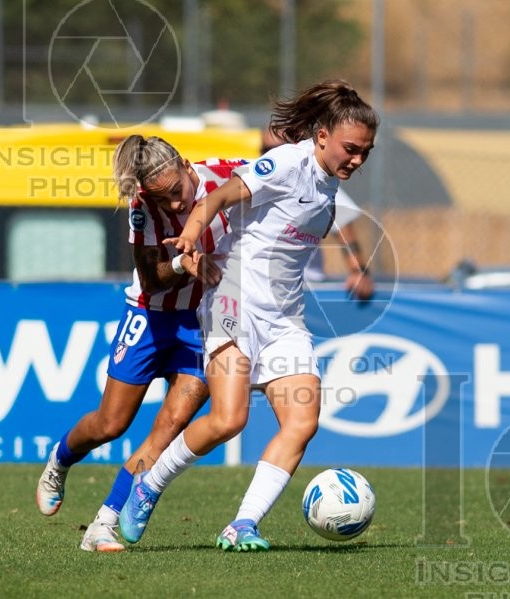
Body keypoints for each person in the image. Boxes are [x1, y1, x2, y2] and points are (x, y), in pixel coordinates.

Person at [117, 79, 379, 552]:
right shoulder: (287, 163)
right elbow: (215, 198)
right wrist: (190, 236)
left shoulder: (329, 187)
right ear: (322, 137)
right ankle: (148, 486)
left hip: (285, 318)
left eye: (366, 151)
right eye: (351, 149)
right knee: (228, 419)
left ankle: (242, 525)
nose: (358, 159)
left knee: (302, 423)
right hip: (232, 301)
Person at [36, 134, 244, 552]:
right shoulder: (142, 206)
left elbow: (280, 174)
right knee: (110, 424)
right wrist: (182, 264)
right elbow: (151, 280)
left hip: (201, 323)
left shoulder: (228, 174)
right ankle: (60, 458)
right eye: (162, 198)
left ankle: (104, 523)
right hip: (148, 317)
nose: (174, 204)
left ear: (185, 165)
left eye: (176, 192)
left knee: (168, 428)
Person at [262, 126, 374, 300]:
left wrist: (358, 271)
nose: (270, 154)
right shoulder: (255, 180)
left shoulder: (316, 183)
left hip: (304, 287)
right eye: (265, 149)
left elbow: (343, 224)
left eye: (276, 148)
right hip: (259, 285)